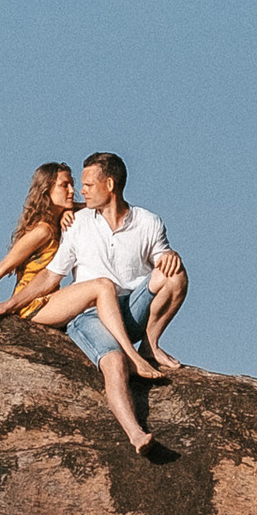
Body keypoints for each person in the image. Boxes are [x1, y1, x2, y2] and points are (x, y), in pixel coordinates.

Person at [24, 151, 187, 454]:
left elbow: (161, 259)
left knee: (175, 275)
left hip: (130, 309)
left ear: (109, 184)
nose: (80, 191)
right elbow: (49, 277)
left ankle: (150, 344)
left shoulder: (148, 222)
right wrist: (8, 306)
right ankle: (136, 434)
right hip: (91, 317)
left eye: (87, 184)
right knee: (114, 363)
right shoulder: (78, 223)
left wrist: (170, 255)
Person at [0, 163, 77, 319]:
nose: (72, 190)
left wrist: (69, 210)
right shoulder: (43, 231)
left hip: (50, 298)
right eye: (64, 185)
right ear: (46, 190)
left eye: (72, 184)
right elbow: (4, 266)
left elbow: (98, 205)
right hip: (31, 302)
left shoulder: (59, 221)